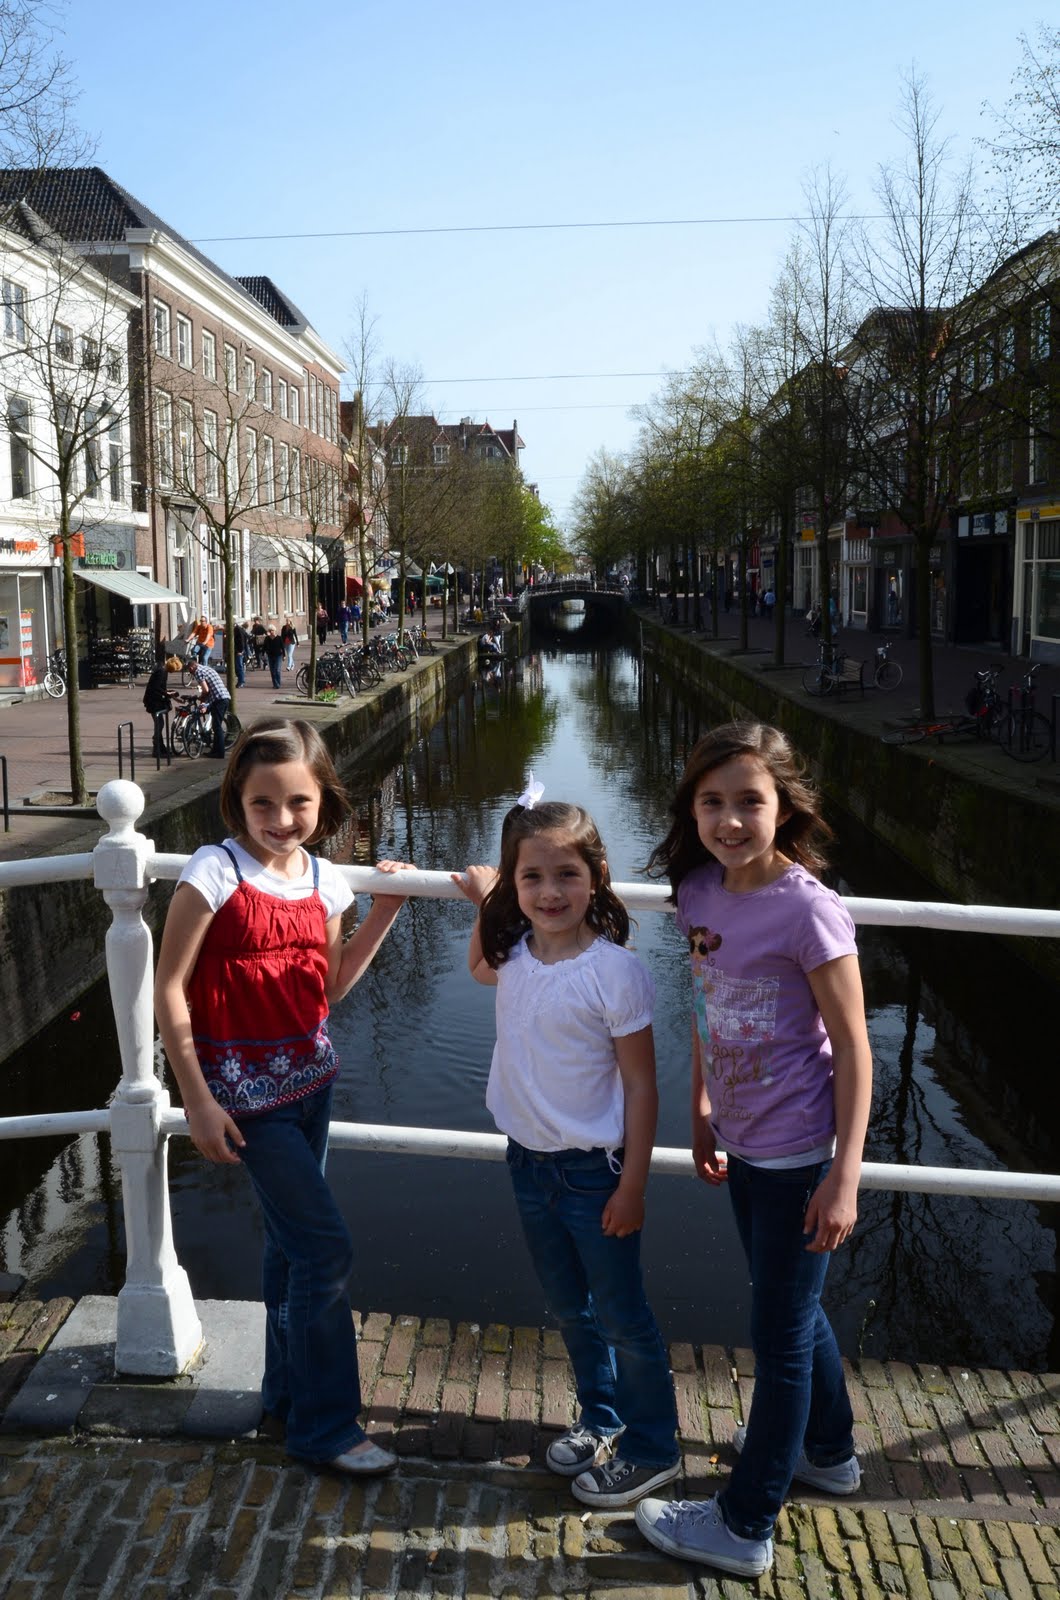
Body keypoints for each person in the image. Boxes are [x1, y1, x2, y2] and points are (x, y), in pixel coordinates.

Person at [636, 722, 872, 1578]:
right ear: (690, 808)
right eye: (713, 802)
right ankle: (829, 1450)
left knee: (776, 1342)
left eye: (749, 802)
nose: (730, 820)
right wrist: (701, 1105)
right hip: (741, 1141)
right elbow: (708, 1000)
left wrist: (844, 1173)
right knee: (795, 1313)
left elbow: (853, 1046)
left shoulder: (808, 909)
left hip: (800, 1155)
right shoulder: (698, 890)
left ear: (784, 808)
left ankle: (743, 1524)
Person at [153, 718, 412, 1476]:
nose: (281, 819)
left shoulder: (326, 880)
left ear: (321, 803)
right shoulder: (215, 871)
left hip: (311, 1085)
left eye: (297, 803)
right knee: (325, 1249)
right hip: (244, 1099)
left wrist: (387, 912)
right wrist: (196, 1098)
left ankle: (285, 1392)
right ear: (237, 799)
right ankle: (326, 1427)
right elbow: (169, 987)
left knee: (288, 1251)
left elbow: (327, 989)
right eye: (263, 802)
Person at [452, 792, 680, 1511]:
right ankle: (603, 1415)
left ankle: (654, 1446)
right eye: (532, 879)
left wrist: (633, 1185)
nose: (550, 893)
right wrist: (487, 900)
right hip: (528, 1162)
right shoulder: (515, 953)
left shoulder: (615, 973)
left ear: (597, 875)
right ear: (515, 887)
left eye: (566, 875)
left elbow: (642, 1088)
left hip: (594, 1173)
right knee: (569, 1306)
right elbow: (479, 968)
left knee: (622, 1312)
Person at [188, 659, 231, 759]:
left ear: (192, 668)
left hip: (219, 700)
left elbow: (206, 690)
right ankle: (214, 750)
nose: (192, 675)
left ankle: (220, 753)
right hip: (223, 697)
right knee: (215, 725)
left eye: (191, 672)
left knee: (217, 726)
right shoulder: (206, 668)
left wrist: (202, 698)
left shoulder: (198, 672)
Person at [143, 653, 181, 758]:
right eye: (175, 670)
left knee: (160, 724)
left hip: (153, 701)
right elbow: (157, 688)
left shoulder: (163, 670)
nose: (174, 672)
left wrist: (170, 694)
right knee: (159, 724)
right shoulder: (162, 672)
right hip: (154, 702)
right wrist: (167, 694)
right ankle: (157, 749)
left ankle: (161, 748)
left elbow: (159, 687)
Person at [263, 626, 284, 690]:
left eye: (272, 630)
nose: (271, 632)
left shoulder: (279, 638)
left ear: (274, 630)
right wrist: (263, 653)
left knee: (277, 670)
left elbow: (282, 647)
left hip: (278, 656)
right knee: (272, 671)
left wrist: (284, 655)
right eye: (270, 630)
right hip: (270, 656)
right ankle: (275, 684)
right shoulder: (267, 638)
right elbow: (264, 646)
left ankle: (278, 683)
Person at [232, 620, 249, 690]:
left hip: (238, 651)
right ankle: (240, 680)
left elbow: (241, 640)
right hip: (235, 651)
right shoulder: (236, 629)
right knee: (237, 667)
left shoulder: (238, 629)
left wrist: (240, 651)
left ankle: (241, 681)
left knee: (239, 666)